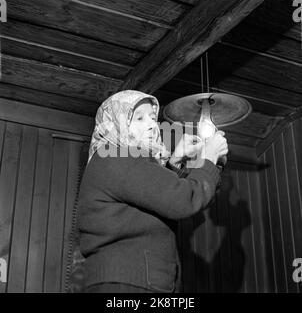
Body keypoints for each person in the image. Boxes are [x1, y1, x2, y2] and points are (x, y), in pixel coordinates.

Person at [78, 90, 228, 293]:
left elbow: (158, 196)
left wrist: (176, 162)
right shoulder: (114, 156)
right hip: (127, 284)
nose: (151, 124)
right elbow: (183, 199)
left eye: (152, 117)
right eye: (139, 118)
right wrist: (209, 158)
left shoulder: (117, 160)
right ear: (115, 123)